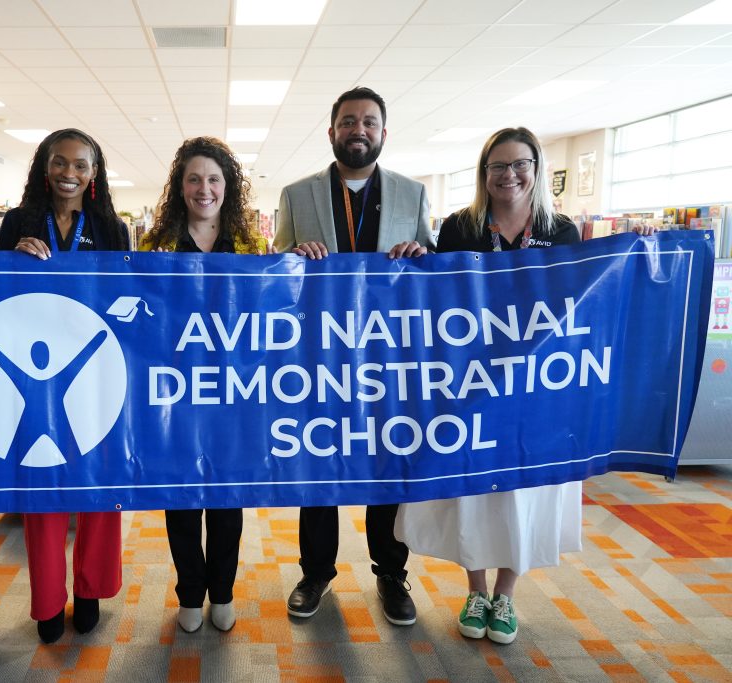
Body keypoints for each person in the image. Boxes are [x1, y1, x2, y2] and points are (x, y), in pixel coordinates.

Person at [394, 126, 588, 646]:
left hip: (536, 391)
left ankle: (507, 593)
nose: (509, 175)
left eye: (519, 164)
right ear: (484, 175)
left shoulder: (562, 231)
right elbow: (438, 295)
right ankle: (476, 588)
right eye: (497, 166)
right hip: (473, 385)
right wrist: (419, 259)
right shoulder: (461, 228)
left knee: (523, 493)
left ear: (537, 167)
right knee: (475, 492)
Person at [273, 86, 434, 626]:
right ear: (332, 131)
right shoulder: (298, 195)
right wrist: (293, 258)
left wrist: (421, 255)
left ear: (384, 133)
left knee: (388, 466)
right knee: (320, 465)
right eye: (347, 122)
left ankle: (390, 574)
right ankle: (315, 571)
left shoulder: (413, 195)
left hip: (389, 363)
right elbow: (277, 279)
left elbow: (432, 279)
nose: (357, 130)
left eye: (368, 122)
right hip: (319, 361)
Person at [0, 128, 128, 643]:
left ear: (94, 174)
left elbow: (123, 293)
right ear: (44, 167)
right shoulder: (18, 223)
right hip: (32, 361)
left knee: (99, 491)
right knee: (42, 497)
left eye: (81, 165)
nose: (69, 173)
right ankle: (49, 602)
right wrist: (14, 261)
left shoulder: (111, 227)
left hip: (96, 374)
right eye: (60, 163)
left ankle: (91, 590)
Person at [139, 136, 270, 634]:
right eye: (194, 178)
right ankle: (189, 593)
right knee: (182, 498)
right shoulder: (156, 245)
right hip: (174, 394)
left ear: (228, 186)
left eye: (214, 178)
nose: (204, 188)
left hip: (233, 394)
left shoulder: (251, 246)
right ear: (180, 186)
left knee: (225, 498)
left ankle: (223, 592)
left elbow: (271, 312)